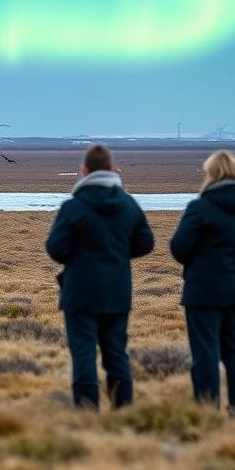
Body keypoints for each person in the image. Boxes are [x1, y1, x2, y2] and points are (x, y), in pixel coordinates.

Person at [46, 144, 154, 409]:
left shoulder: (74, 206)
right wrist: (117, 254)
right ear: (110, 169)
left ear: (84, 171)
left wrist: (78, 256)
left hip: (80, 291)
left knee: (83, 351)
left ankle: (86, 409)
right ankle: (124, 407)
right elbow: (146, 243)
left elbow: (55, 248)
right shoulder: (128, 204)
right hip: (116, 291)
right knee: (116, 352)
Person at [169, 150, 235, 417]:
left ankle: (206, 411)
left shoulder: (199, 208)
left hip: (203, 291)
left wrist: (201, 260)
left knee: (205, 353)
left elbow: (179, 249)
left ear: (211, 174)